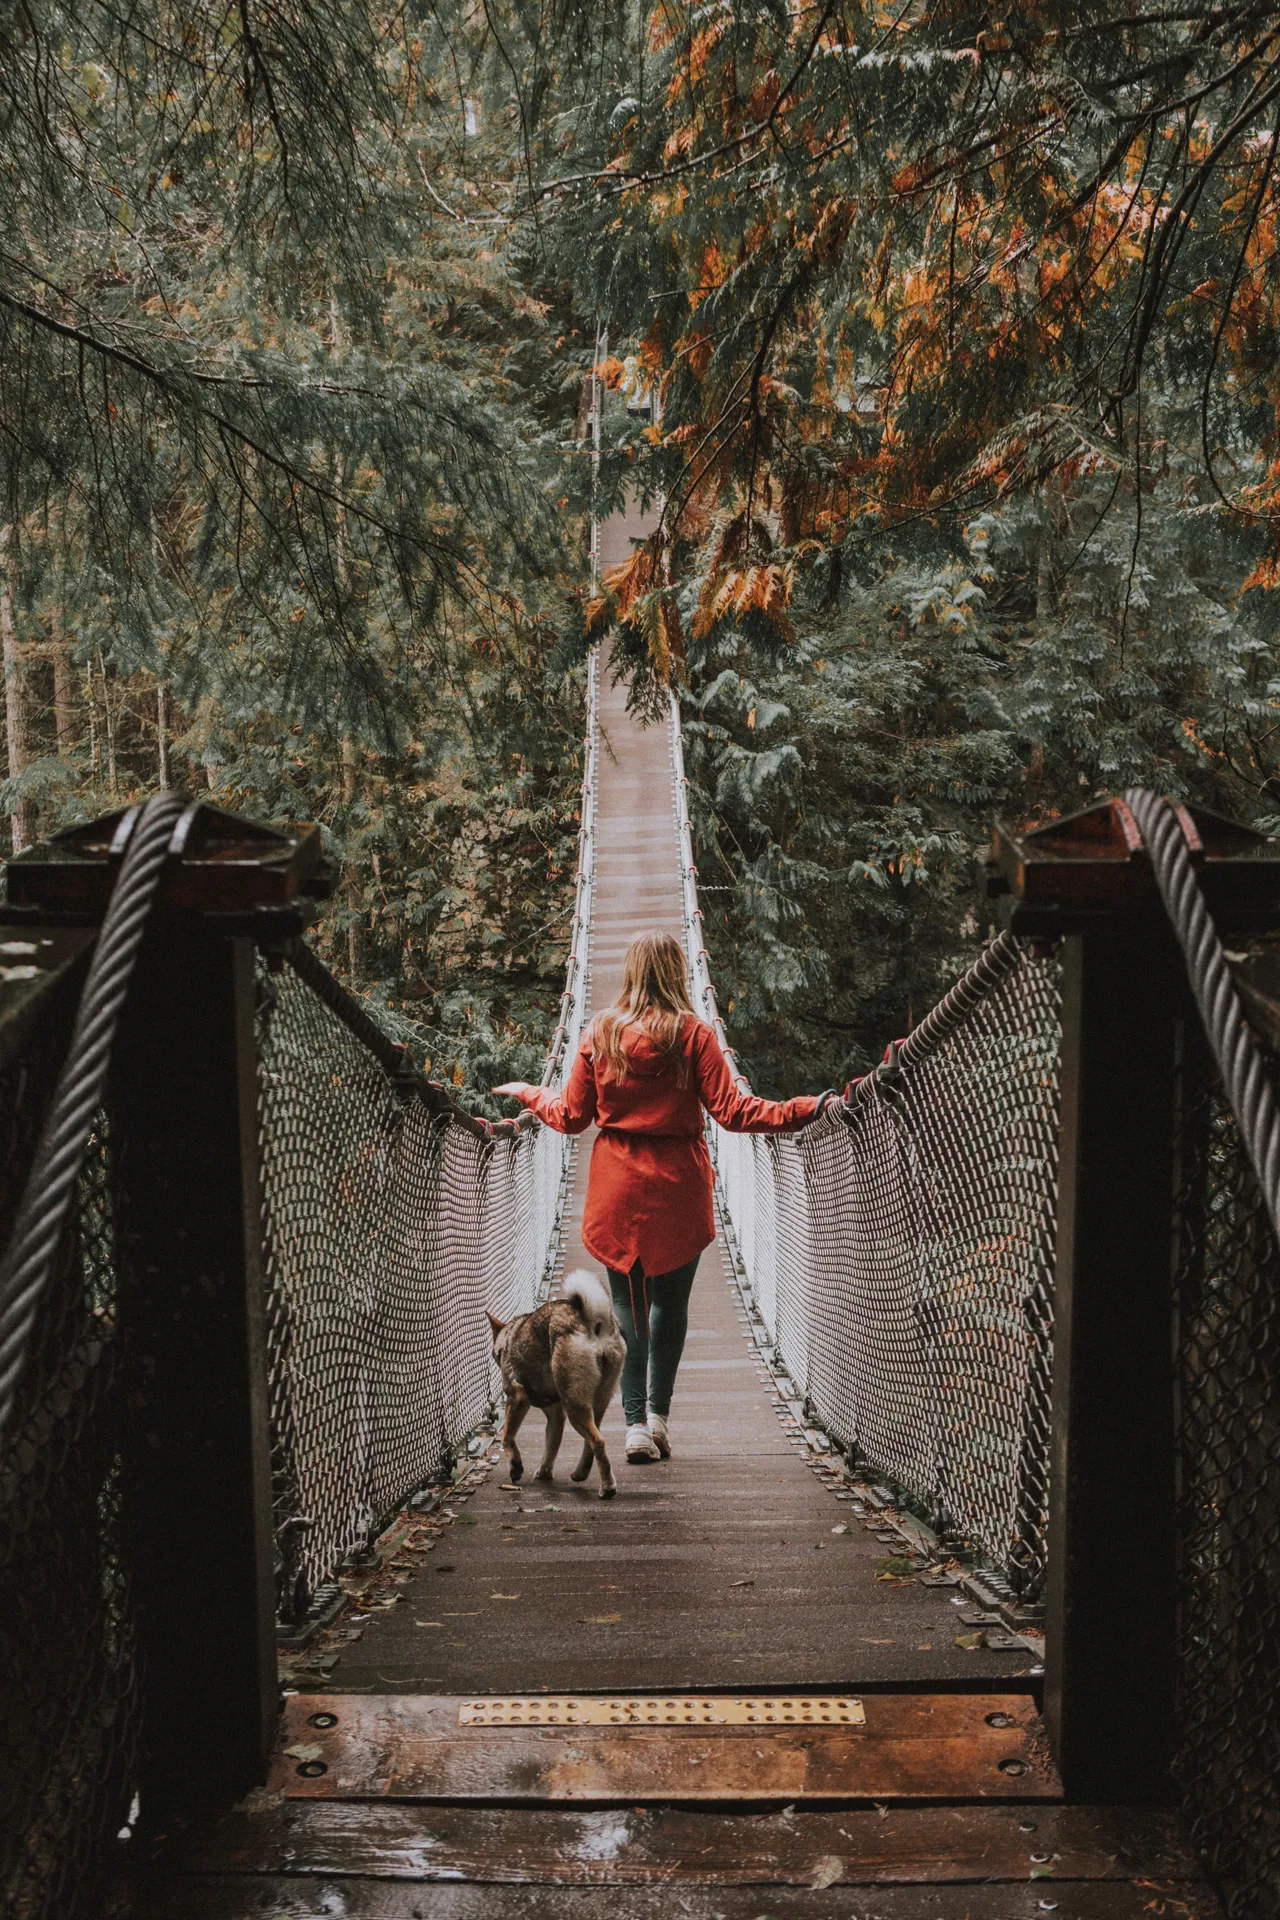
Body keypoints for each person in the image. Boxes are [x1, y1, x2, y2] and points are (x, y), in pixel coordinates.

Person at [494, 931, 836, 1465]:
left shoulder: (600, 1034)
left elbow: (570, 1116)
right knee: (669, 1312)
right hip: (679, 1191)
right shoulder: (694, 1037)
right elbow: (736, 1113)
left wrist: (530, 1094)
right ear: (679, 973)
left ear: (630, 972)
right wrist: (804, 1107)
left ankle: (631, 1427)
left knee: (625, 1316)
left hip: (617, 1193)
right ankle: (657, 1421)